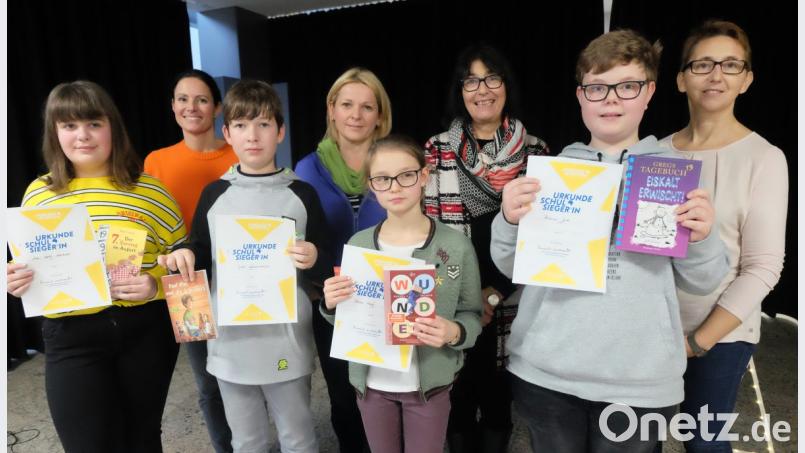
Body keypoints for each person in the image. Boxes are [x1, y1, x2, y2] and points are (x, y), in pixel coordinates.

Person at [490, 30, 730, 452]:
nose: (612, 99)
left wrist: (703, 236)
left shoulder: (676, 176)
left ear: (649, 92)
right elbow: (512, 268)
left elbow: (703, 280)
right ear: (581, 96)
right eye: (597, 88)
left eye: (627, 86)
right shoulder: (551, 172)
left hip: (640, 382)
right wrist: (509, 220)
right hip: (547, 373)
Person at [7, 80, 187, 452]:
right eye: (69, 125)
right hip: (71, 335)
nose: (83, 136)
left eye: (93, 123)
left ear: (112, 128)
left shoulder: (151, 191)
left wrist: (155, 283)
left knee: (142, 439)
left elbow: (186, 269)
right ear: (54, 134)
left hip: (145, 334)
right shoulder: (39, 195)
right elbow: (26, 265)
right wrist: (16, 277)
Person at [159, 79, 329, 453]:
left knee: (298, 437)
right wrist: (183, 255)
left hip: (286, 339)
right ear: (227, 133)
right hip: (231, 343)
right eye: (241, 125)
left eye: (264, 124)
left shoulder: (302, 194)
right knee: (247, 440)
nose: (253, 135)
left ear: (280, 132)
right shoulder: (215, 194)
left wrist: (316, 257)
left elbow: (327, 263)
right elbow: (199, 252)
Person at [659, 20, 788, 452]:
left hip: (720, 337)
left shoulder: (764, 158)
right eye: (702, 64)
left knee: (704, 443)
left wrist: (697, 342)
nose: (716, 75)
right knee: (635, 440)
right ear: (680, 78)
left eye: (731, 65)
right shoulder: (652, 152)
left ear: (747, 79)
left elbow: (763, 268)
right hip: (649, 330)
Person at [321, 135, 483, 453]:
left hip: (430, 386)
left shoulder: (455, 245)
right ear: (371, 184)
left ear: (424, 176)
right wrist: (331, 304)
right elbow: (346, 316)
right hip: (372, 384)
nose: (394, 187)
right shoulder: (359, 245)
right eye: (383, 179)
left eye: (406, 175)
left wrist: (454, 331)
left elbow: (472, 314)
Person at [423, 43, 549, 452]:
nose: (482, 89)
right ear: (460, 89)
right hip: (453, 292)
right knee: (456, 390)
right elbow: (425, 230)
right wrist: (467, 296)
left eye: (491, 78)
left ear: (505, 85)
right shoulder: (437, 149)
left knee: (499, 393)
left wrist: (492, 292)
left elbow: (545, 240)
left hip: (510, 296)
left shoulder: (537, 153)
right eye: (471, 80)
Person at [294, 67, 392, 452]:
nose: (356, 114)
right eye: (347, 104)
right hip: (332, 302)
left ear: (380, 115)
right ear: (331, 109)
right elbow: (298, 239)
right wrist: (314, 284)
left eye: (367, 106)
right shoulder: (306, 169)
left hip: (387, 299)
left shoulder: (394, 163)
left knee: (387, 392)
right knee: (344, 396)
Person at [144, 68, 237, 453]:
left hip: (241, 276)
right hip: (188, 287)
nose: (191, 107)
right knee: (208, 382)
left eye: (201, 99)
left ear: (216, 107)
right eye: (182, 99)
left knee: (252, 373)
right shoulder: (157, 162)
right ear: (172, 107)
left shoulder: (238, 153)